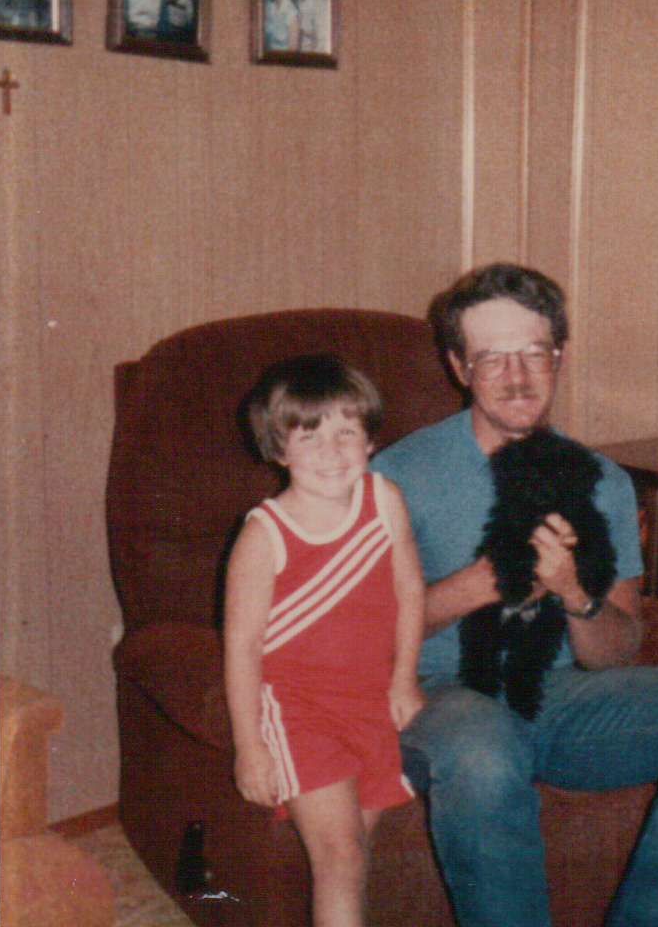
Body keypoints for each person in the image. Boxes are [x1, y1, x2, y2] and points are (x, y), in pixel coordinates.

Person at [372, 263, 658, 927]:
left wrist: (576, 594)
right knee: (484, 748)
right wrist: (473, 588)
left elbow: (616, 652)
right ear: (459, 367)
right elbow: (355, 633)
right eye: (492, 358)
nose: (517, 376)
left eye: (534, 353)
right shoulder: (396, 475)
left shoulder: (602, 481)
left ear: (558, 356)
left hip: (559, 696)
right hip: (440, 692)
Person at [224, 354, 426, 927]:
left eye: (346, 432)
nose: (332, 452)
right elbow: (242, 648)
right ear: (278, 448)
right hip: (299, 713)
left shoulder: (385, 500)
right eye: (309, 436)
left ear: (370, 440)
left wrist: (404, 679)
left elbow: (410, 590)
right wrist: (249, 745)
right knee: (339, 858)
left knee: (354, 854)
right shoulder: (264, 534)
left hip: (372, 706)